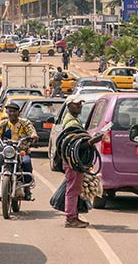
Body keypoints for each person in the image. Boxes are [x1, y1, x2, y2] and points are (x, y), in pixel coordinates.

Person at [56, 98, 103, 229]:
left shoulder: (72, 120)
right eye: (76, 105)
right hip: (73, 161)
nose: (79, 107)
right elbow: (75, 144)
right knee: (73, 189)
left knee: (73, 188)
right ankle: (70, 218)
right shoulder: (71, 122)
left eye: (80, 104)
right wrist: (92, 142)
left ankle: (73, 215)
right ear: (69, 105)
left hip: (72, 160)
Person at [0, 101, 37, 201]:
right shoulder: (3, 123)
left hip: (21, 150)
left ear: (18, 112)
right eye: (10, 111)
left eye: (14, 111)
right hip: (6, 150)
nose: (12, 113)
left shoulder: (25, 123)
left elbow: (31, 131)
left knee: (26, 162)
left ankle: (27, 188)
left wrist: (33, 136)